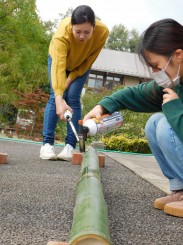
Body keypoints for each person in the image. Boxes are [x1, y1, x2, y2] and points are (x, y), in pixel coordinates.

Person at [83, 18, 183, 218]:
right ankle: (180, 191)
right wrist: (101, 106)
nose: (154, 73)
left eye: (156, 66)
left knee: (165, 124)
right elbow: (136, 93)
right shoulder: (174, 83)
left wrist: (174, 108)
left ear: (178, 55)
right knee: (154, 123)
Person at [40, 5, 109, 161]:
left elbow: (89, 60)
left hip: (81, 65)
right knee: (56, 96)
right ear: (71, 26)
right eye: (78, 32)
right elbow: (59, 66)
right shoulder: (61, 35)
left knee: (73, 97)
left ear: (94, 27)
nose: (82, 37)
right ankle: (47, 144)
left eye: (87, 32)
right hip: (59, 60)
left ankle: (70, 146)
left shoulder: (102, 32)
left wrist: (71, 78)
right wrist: (59, 96)